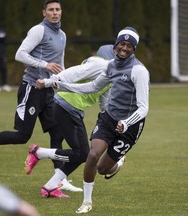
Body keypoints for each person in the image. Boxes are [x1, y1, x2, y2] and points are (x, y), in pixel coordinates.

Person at [0, 0, 81, 193]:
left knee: (57, 132)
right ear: (44, 12)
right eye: (50, 10)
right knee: (22, 136)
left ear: (61, 12)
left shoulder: (62, 35)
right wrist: (45, 65)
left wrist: (62, 83)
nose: (55, 13)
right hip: (31, 88)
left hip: (48, 90)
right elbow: (20, 54)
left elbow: (60, 64)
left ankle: (59, 180)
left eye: (57, 9)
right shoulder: (38, 30)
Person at [50, 27, 150, 213]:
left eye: (129, 45)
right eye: (122, 43)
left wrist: (127, 122)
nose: (124, 48)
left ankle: (116, 161)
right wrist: (62, 86)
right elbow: (93, 87)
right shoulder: (110, 66)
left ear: (134, 49)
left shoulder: (139, 71)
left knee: (103, 168)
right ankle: (87, 202)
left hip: (131, 127)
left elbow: (143, 107)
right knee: (92, 155)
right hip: (109, 119)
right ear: (115, 45)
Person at [25, 55, 116, 198]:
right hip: (65, 106)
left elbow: (104, 105)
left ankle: (50, 186)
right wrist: (48, 82)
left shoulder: (112, 78)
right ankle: (39, 153)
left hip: (72, 110)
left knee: (81, 154)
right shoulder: (101, 65)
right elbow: (73, 73)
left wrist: (113, 123)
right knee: (83, 154)